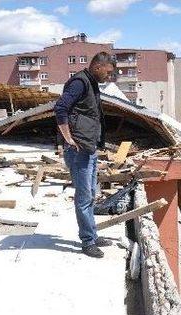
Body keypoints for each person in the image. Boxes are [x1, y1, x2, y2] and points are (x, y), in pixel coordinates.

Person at [54, 52, 116, 258]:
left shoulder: (91, 83)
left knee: (90, 195)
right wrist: (68, 139)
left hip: (88, 148)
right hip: (78, 149)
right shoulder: (80, 82)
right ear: (97, 67)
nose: (109, 77)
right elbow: (60, 108)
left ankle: (92, 235)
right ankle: (88, 242)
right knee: (83, 198)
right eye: (108, 72)